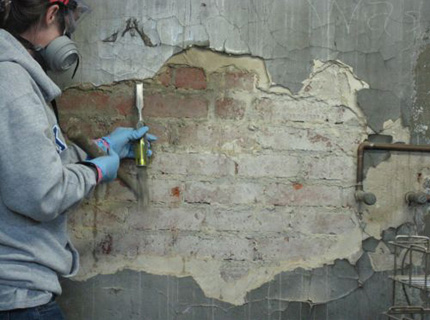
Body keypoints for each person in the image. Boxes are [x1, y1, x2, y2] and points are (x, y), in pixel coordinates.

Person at [0, 0, 156, 318]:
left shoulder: (16, 79)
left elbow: (32, 165)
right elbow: (43, 194)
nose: (68, 33)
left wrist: (97, 148)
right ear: (52, 13)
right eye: (66, 23)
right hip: (18, 296)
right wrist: (95, 171)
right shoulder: (12, 83)